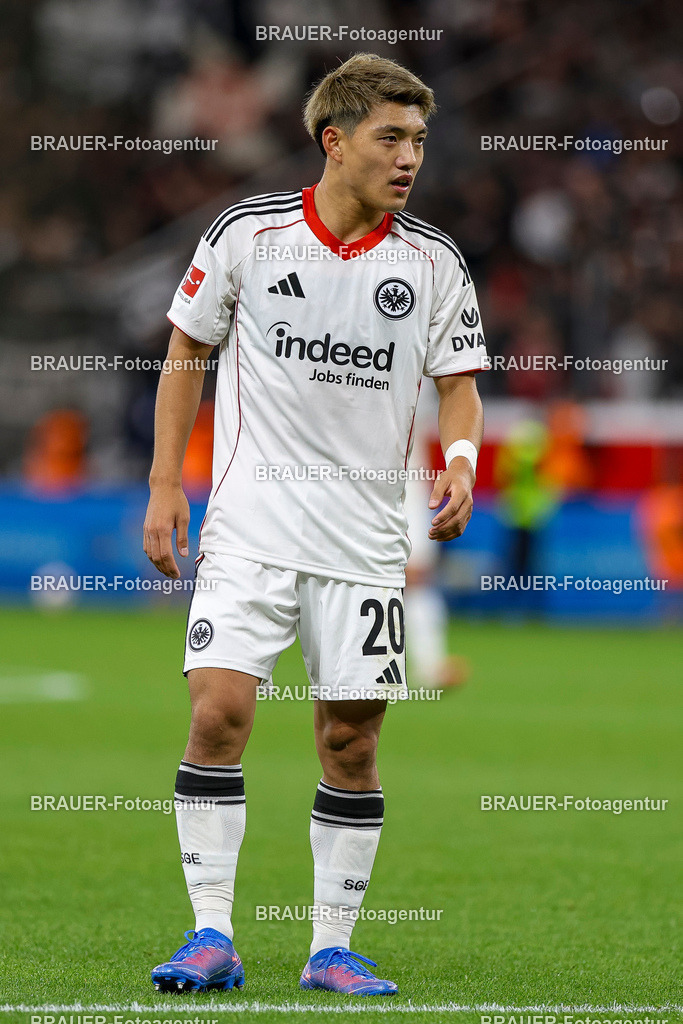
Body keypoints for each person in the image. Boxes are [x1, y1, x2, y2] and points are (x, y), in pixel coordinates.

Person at [143, 52, 486, 998]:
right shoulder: (248, 235)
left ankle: (331, 945)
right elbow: (185, 349)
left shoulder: (432, 262)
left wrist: (459, 464)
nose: (410, 156)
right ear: (333, 142)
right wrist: (167, 481)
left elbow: (459, 390)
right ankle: (210, 933)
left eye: (418, 139)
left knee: (351, 741)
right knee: (217, 713)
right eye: (390, 137)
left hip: (364, 543)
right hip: (249, 526)